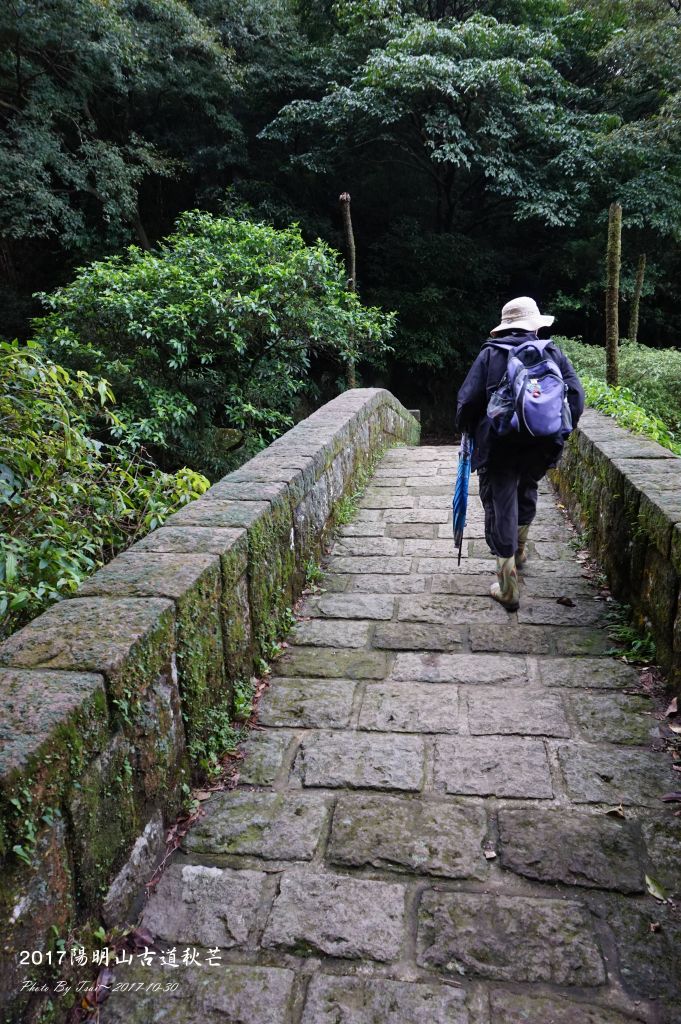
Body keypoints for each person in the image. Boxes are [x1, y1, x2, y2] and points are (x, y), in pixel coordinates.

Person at [455, 296, 585, 610]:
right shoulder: (550, 350)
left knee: (502, 503)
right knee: (527, 488)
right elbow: (576, 394)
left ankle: (508, 585)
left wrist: (467, 431)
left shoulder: (490, 354)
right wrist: (558, 430)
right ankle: (521, 549)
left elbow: (468, 401)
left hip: (499, 445)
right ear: (534, 325)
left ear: (505, 326)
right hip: (540, 445)